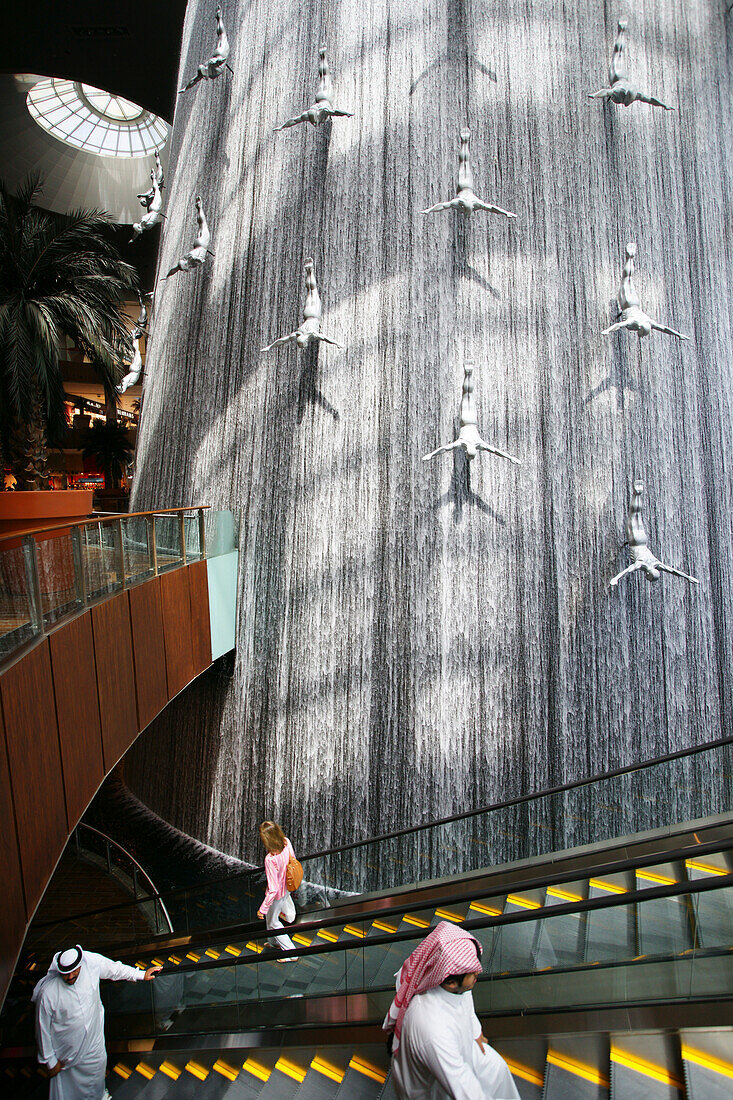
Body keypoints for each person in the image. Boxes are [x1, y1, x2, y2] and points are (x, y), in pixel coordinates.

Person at [383, 922, 519, 1099]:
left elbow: (465, 999)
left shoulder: (448, 981)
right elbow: (463, 1087)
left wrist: (476, 1031)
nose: (478, 973)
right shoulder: (431, 1028)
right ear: (450, 982)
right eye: (473, 973)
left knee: (497, 1069)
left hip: (458, 1053)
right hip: (430, 1090)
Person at [32, 944, 162, 1100]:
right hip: (66, 1053)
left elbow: (115, 969)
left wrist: (140, 975)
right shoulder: (48, 994)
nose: (71, 976)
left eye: (75, 971)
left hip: (94, 1044)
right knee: (67, 1090)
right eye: (66, 973)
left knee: (96, 1078)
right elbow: (42, 1030)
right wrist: (50, 1061)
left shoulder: (91, 962)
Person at [422, 364, 520, 466]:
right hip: (465, 421)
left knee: (469, 395)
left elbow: (444, 449)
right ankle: (468, 374)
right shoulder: (465, 442)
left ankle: (468, 374)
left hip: (472, 420)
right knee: (466, 395)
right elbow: (496, 451)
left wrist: (431, 455)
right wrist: (510, 458)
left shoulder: (476, 443)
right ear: (467, 452)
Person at [609, 480, 699, 588]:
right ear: (648, 574)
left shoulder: (657, 564)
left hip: (643, 540)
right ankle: (636, 493)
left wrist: (688, 577)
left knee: (638, 516)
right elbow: (627, 570)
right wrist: (615, 579)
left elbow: (672, 570)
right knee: (633, 515)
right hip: (635, 541)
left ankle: (638, 494)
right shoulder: (641, 564)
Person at [602, 242, 689, 341]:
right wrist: (608, 331)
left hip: (635, 303)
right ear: (640, 328)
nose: (642, 336)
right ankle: (629, 257)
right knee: (626, 279)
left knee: (629, 279)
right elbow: (618, 325)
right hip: (626, 303)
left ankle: (631, 258)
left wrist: (678, 334)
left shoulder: (649, 322)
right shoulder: (634, 321)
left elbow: (664, 328)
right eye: (643, 334)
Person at [423, 129, 517, 219]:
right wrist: (505, 213)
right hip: (462, 186)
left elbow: (442, 206)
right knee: (463, 163)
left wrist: (429, 210)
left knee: (465, 163)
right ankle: (464, 143)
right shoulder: (464, 202)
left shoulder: (468, 203)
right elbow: (492, 208)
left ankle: (465, 143)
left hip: (468, 186)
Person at [589, 20, 674, 110]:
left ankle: (622, 31)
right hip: (617, 75)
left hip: (622, 76)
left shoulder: (637, 94)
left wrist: (664, 105)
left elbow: (650, 100)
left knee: (619, 53)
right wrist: (594, 95)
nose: (629, 103)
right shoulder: (620, 90)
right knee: (617, 53)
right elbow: (606, 92)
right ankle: (621, 30)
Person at [274, 46, 352, 130]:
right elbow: (294, 120)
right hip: (320, 97)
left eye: (314, 122)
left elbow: (335, 112)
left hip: (326, 97)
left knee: (325, 77)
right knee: (324, 77)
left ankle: (323, 56)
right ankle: (323, 56)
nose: (314, 124)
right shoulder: (313, 113)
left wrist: (346, 113)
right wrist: (282, 127)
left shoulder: (323, 111)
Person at [256, 820, 297, 953]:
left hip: (278, 894)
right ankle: (273, 942)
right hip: (287, 887)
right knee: (271, 917)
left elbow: (273, 889)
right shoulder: (286, 842)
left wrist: (262, 908)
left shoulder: (270, 859)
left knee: (274, 922)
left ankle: (291, 952)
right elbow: (293, 860)